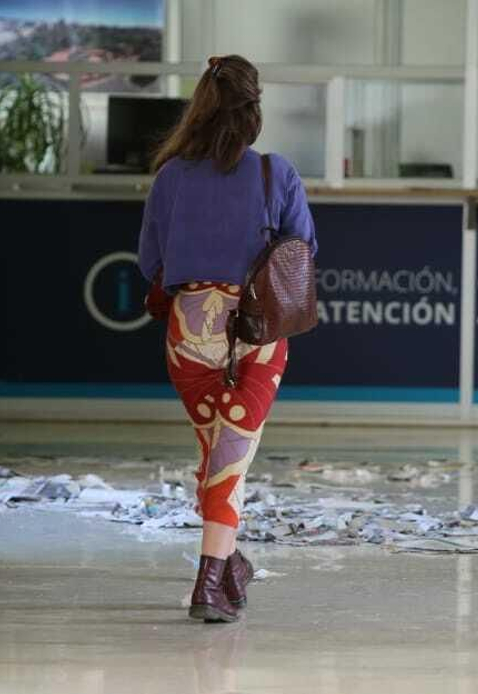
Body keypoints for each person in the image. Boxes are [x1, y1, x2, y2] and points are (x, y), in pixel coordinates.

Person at [138, 55, 318, 624]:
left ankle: (231, 562)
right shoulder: (275, 173)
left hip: (187, 334)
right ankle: (208, 585)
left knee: (216, 455)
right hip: (253, 337)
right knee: (230, 462)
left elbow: (151, 262)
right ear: (254, 109)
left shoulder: (170, 177)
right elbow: (302, 256)